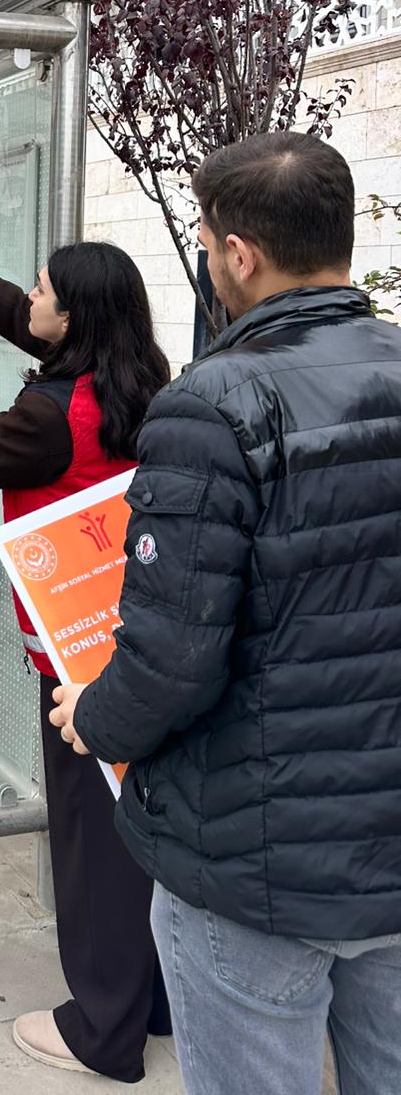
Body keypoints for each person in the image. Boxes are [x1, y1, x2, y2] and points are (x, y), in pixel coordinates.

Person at [51, 133, 401, 1095]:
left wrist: (93, 714)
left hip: (257, 859)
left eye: (208, 241)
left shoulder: (212, 404)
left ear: (237, 254)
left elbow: (170, 659)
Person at [0, 224, 172, 1083]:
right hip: (139, 641)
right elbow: (35, 327)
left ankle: (103, 1027)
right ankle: (152, 998)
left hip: (72, 660)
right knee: (139, 827)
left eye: (45, 287)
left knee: (90, 842)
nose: (34, 298)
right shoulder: (140, 383)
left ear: (78, 313)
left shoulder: (49, 416)